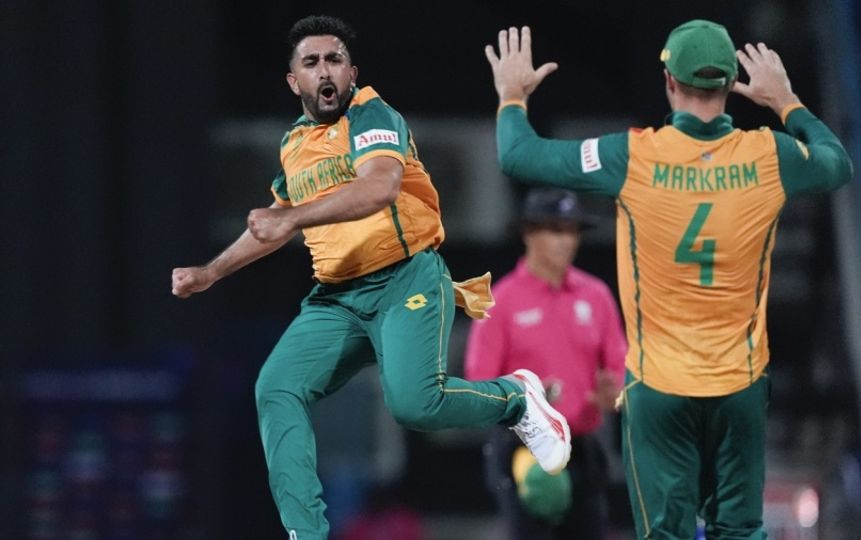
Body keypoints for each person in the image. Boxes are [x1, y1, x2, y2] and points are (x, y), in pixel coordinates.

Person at [170, 15, 571, 540]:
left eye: (334, 59)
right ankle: (306, 533)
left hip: (405, 278)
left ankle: (515, 398)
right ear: (295, 82)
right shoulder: (293, 145)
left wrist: (290, 219)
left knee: (414, 406)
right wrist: (211, 271)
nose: (325, 70)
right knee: (276, 387)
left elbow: (379, 187)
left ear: (351, 71)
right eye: (311, 63)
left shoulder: (371, 112)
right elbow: (272, 220)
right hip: (337, 298)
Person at [484, 20, 853, 538]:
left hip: (659, 390)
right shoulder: (770, 156)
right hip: (739, 388)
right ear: (731, 86)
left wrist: (512, 97)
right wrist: (786, 101)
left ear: (669, 81)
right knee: (740, 531)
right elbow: (838, 165)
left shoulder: (632, 156)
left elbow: (517, 154)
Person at [464, 188, 627, 539]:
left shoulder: (595, 296)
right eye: (554, 230)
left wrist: (614, 395)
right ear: (529, 234)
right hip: (523, 448)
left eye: (571, 230)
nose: (565, 241)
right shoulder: (502, 302)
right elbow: (479, 385)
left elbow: (620, 370)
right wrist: (528, 399)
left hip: (582, 446)